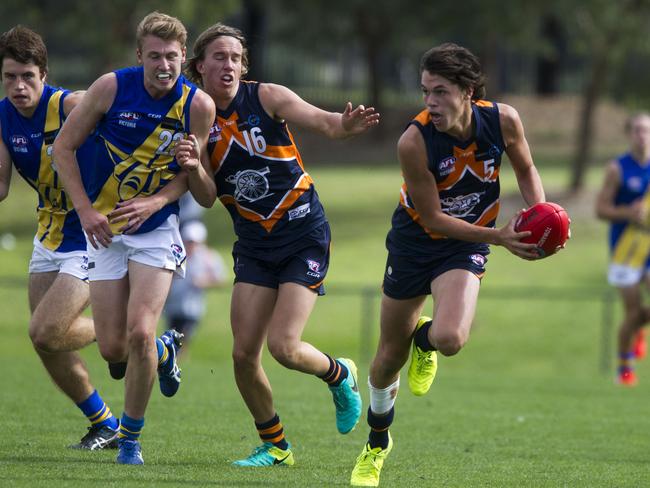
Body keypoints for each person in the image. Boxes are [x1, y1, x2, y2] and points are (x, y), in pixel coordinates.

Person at [348, 43, 548, 487]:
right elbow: (435, 217)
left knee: (452, 338)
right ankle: (376, 445)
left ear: (468, 91)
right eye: (425, 92)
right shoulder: (413, 141)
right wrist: (498, 235)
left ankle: (427, 338)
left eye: (440, 92)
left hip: (463, 246)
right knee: (385, 360)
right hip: (415, 242)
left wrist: (542, 217)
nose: (430, 102)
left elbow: (528, 169)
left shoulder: (502, 120)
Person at [184, 23, 379, 467]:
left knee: (284, 347)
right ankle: (276, 446)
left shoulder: (267, 97)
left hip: (302, 231)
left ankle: (339, 373)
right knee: (241, 355)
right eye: (219, 57)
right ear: (200, 66)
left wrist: (344, 125)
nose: (228, 64)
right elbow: (207, 197)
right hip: (253, 243)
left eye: (235, 57)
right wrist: (195, 165)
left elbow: (326, 123)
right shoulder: (196, 116)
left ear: (244, 66)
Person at [52, 12, 216, 464]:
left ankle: (130, 439)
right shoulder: (110, 88)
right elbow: (62, 149)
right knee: (113, 348)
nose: (164, 65)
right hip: (104, 230)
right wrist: (84, 210)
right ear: (139, 55)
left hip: (157, 232)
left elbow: (202, 192)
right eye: (155, 56)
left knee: (141, 330)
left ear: (185, 58)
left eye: (173, 57)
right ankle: (165, 352)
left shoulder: (198, 106)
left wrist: (169, 189)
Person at [0, 24, 124, 452]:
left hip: (93, 235)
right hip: (48, 235)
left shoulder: (70, 105)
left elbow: (124, 123)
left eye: (27, 77)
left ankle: (135, 338)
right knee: (47, 345)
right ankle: (104, 423)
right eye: (10, 77)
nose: (18, 86)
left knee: (45, 332)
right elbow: (0, 187)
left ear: (44, 75)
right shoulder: (1, 116)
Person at [596, 112, 650, 387]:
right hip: (625, 250)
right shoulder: (618, 168)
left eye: (647, 130)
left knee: (642, 312)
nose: (642, 135)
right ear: (630, 134)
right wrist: (629, 212)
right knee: (633, 313)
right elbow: (600, 209)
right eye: (638, 130)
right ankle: (624, 366)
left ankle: (639, 329)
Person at [163, 219, 227, 345]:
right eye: (188, 241)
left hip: (193, 307)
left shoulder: (208, 258)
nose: (191, 245)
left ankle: (178, 360)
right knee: (171, 339)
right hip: (172, 305)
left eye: (194, 242)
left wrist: (205, 282)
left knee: (182, 339)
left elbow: (220, 279)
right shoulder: (176, 254)